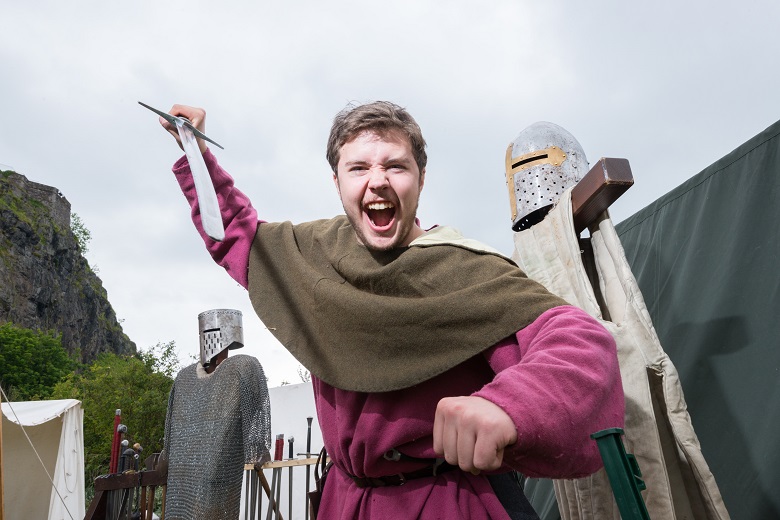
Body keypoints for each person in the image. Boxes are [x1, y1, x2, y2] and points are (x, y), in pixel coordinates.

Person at [157, 101, 624, 519]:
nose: (377, 180)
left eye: (395, 166)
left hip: (448, 502)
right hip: (345, 502)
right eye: (357, 167)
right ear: (337, 181)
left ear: (420, 178)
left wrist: (508, 406)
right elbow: (234, 230)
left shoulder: (464, 271)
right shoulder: (312, 256)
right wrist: (194, 152)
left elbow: (579, 342)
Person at [159, 309, 271, 519]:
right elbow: (172, 429)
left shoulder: (241, 368)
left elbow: (255, 411)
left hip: (214, 479)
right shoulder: (184, 378)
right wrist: (258, 447)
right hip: (185, 480)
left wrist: (257, 447)